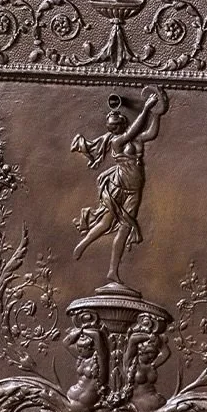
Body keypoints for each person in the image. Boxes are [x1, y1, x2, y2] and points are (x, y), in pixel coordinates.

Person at [71, 86, 169, 288]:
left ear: (121, 123)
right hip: (118, 187)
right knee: (106, 223)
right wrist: (146, 109)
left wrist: (156, 114)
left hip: (135, 190)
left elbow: (150, 132)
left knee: (124, 230)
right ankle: (81, 245)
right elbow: (136, 129)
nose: (112, 130)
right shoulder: (116, 142)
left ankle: (113, 271)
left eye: (115, 126)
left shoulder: (136, 139)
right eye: (110, 127)